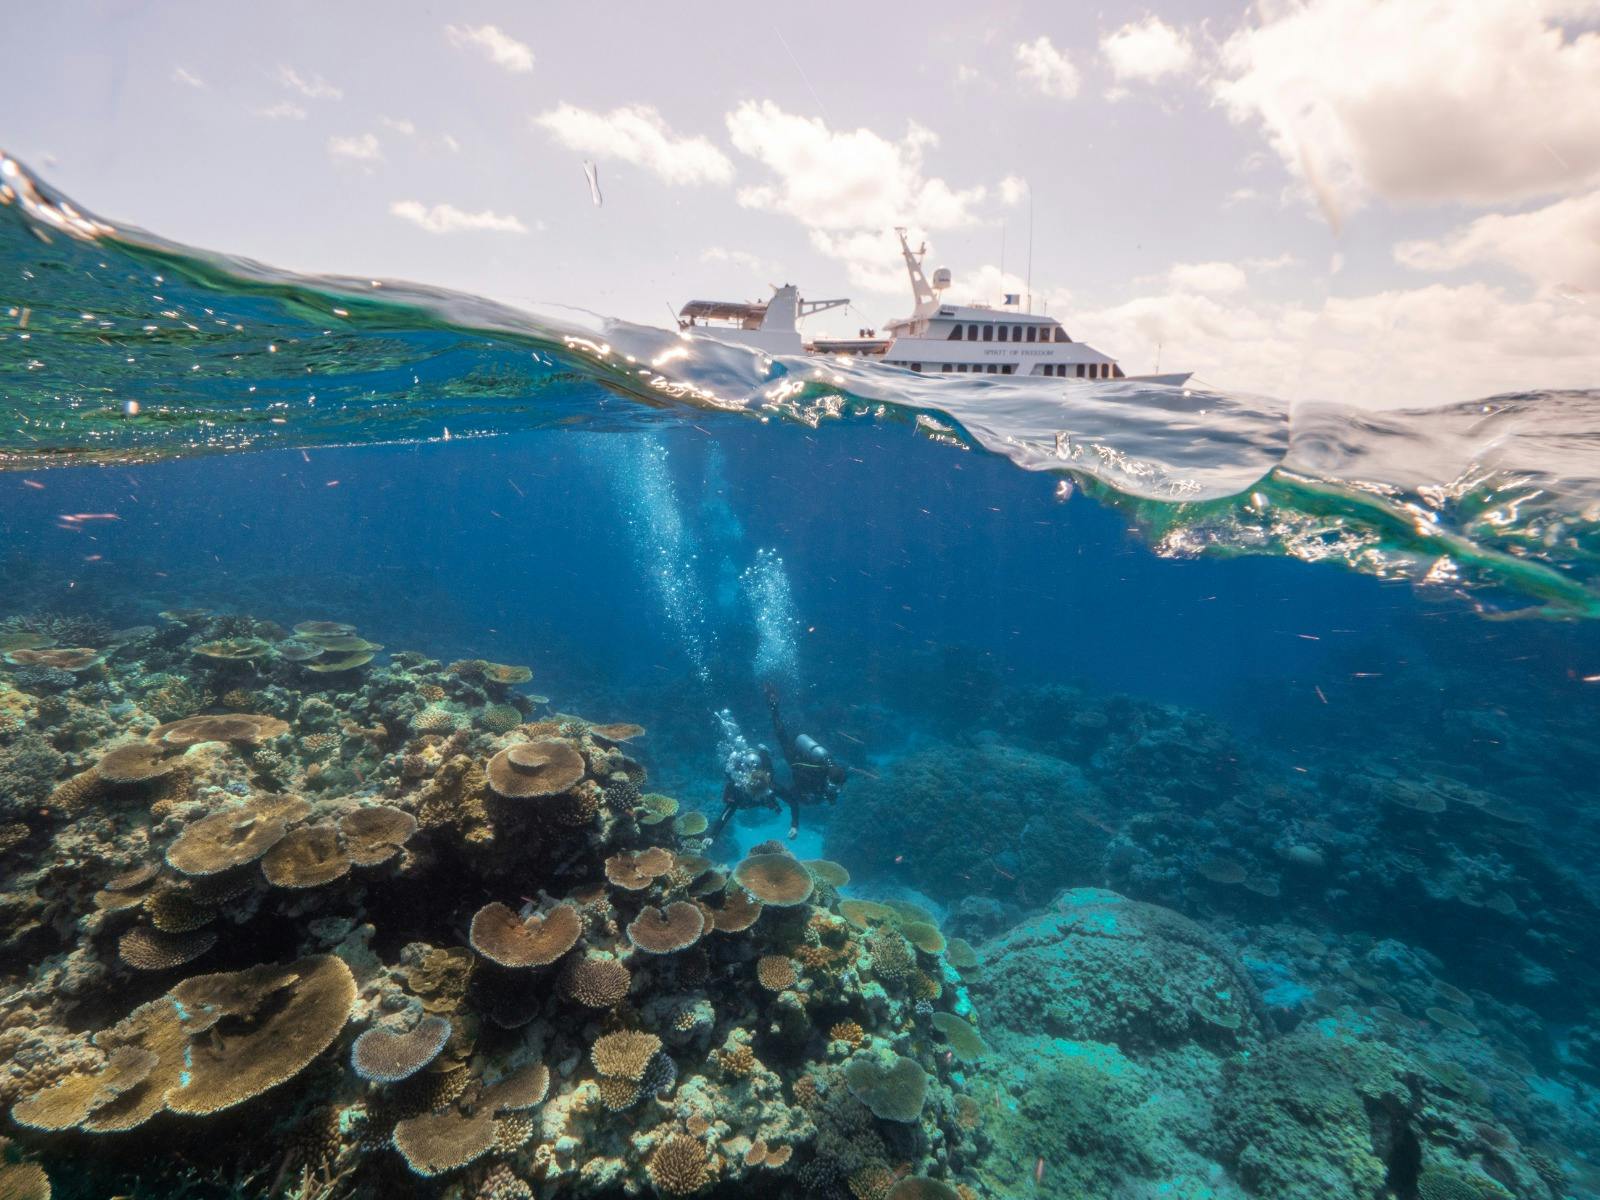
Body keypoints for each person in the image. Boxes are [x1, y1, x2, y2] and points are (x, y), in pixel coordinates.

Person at [762, 683, 847, 840]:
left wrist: (828, 796)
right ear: (828, 779)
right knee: (781, 736)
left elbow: (830, 793)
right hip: (795, 758)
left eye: (835, 788)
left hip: (806, 762)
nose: (834, 789)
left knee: (785, 735)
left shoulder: (836, 778)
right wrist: (804, 791)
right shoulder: (819, 772)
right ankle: (774, 708)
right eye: (832, 786)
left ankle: (777, 709)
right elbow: (797, 769)